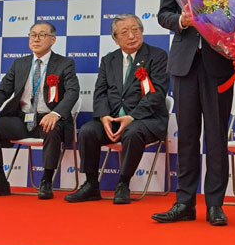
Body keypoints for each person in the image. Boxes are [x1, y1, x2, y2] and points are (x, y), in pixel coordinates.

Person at [152, 0, 235, 226]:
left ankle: (215, 205)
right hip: (185, 64)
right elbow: (163, 13)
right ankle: (184, 202)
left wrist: (218, 16)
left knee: (216, 137)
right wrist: (181, 20)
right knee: (188, 136)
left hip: (219, 63)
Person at [65, 14, 169, 204]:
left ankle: (123, 183)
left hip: (146, 120)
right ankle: (91, 184)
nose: (131, 35)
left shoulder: (157, 56)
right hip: (113, 120)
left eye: (135, 30)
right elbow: (100, 92)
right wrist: (103, 116)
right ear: (115, 38)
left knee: (133, 132)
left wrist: (131, 117)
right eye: (125, 32)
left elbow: (158, 94)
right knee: (88, 131)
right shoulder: (108, 60)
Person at [0, 22, 79, 199]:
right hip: (22, 119)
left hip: (48, 118)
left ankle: (46, 181)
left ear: (53, 40)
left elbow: (72, 92)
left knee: (51, 127)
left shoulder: (64, 63)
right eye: (33, 35)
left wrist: (55, 113)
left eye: (42, 35)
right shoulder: (19, 64)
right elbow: (1, 91)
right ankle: (0, 180)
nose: (36, 39)